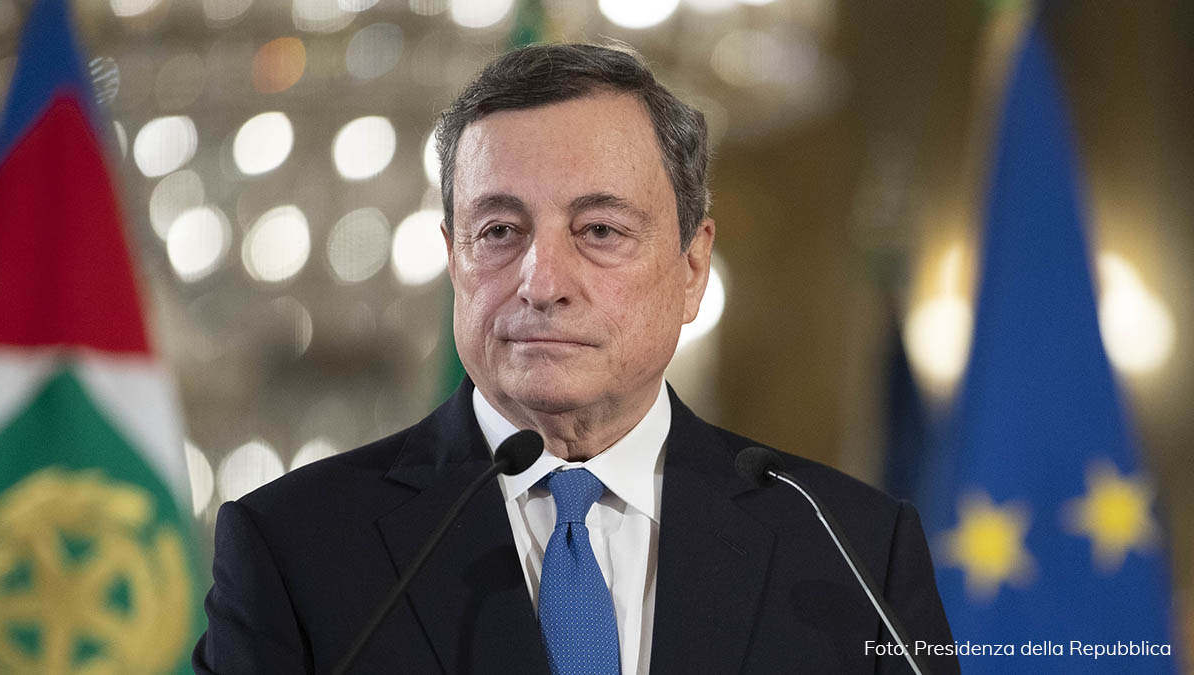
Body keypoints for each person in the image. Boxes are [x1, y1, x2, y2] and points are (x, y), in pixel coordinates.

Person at [194, 43, 958, 674]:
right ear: (454, 259)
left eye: (599, 231)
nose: (542, 283)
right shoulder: (295, 548)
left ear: (692, 269)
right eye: (499, 231)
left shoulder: (850, 548)